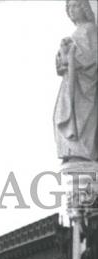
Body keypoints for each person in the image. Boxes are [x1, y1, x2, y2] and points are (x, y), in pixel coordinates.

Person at [54, 0, 98, 162]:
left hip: (83, 85)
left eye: (75, 6)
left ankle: (81, 152)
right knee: (61, 114)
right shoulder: (78, 32)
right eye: (69, 7)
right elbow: (66, 61)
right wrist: (63, 52)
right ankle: (72, 151)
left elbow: (91, 57)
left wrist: (71, 53)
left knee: (81, 117)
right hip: (71, 82)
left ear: (85, 8)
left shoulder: (90, 29)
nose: (72, 10)